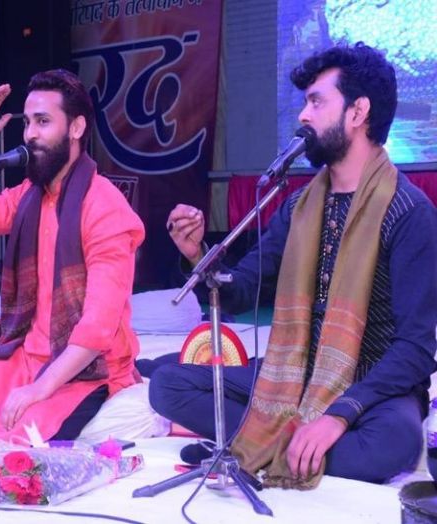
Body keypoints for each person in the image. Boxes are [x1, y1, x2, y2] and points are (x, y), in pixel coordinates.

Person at [148, 43, 437, 487]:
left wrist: (339, 414)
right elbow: (242, 289)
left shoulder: (409, 211)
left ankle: (256, 445)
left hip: (371, 389)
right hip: (293, 374)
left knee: (392, 443)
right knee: (168, 384)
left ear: (358, 112)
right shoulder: (299, 206)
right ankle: (290, 445)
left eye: (316, 102)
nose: (303, 115)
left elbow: (415, 349)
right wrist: (196, 253)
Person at [0, 69, 145, 441]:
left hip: (87, 371)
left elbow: (97, 329)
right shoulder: (29, 197)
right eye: (27, 123)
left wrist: (39, 390)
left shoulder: (105, 207)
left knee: (25, 431)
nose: (29, 134)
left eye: (43, 122)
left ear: (76, 128)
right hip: (28, 359)